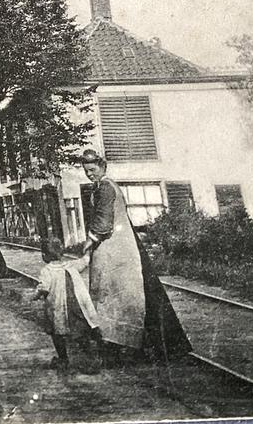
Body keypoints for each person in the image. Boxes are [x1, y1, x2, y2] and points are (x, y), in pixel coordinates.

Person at [80, 149, 191, 365]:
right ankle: (139, 347)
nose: (89, 174)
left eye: (92, 170)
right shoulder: (108, 186)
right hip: (123, 246)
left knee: (114, 296)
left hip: (115, 249)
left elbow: (103, 221)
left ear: (102, 167)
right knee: (133, 295)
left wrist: (90, 240)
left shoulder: (105, 187)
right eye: (86, 171)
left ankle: (119, 348)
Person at [33, 237, 102, 372]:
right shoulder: (72, 265)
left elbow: (43, 288)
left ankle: (63, 359)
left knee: (57, 334)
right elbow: (85, 261)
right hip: (77, 307)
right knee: (81, 333)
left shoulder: (47, 270)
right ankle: (90, 360)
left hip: (59, 308)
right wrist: (88, 250)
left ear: (44, 255)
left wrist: (35, 296)